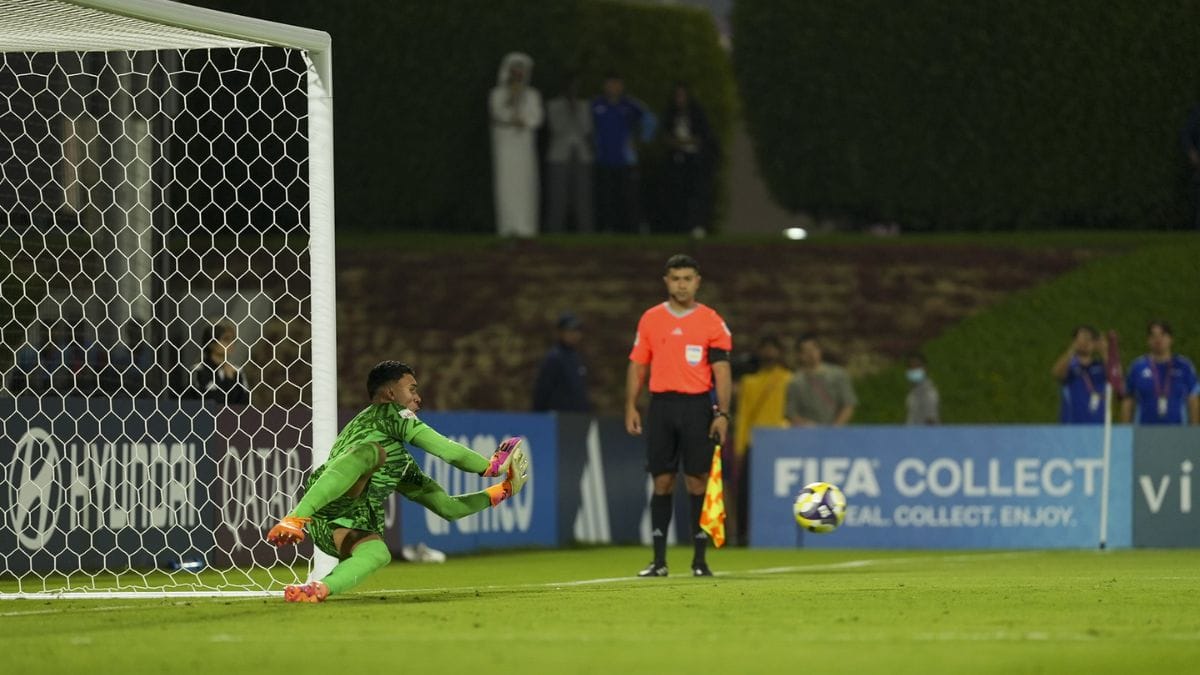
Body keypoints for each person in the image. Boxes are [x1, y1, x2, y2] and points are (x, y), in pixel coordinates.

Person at [267, 360, 530, 602]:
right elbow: (447, 450)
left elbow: (449, 508)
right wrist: (491, 466)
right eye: (412, 389)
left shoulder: (402, 466)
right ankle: (294, 518)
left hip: (340, 526)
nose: (418, 398)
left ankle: (318, 589)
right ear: (391, 394)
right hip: (327, 500)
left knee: (379, 553)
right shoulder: (388, 413)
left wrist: (504, 490)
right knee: (372, 453)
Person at [625, 254, 732, 577]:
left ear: (697, 282)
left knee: (697, 480)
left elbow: (722, 370)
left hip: (697, 406)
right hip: (662, 406)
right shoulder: (651, 319)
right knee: (662, 480)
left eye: (687, 278)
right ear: (666, 281)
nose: (681, 284)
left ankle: (700, 561)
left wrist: (723, 413)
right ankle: (659, 561)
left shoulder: (712, 321)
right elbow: (638, 364)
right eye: (675, 278)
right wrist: (631, 404)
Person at [731, 334, 790, 545]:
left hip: (781, 442)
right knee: (745, 491)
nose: (769, 353)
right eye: (765, 349)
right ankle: (743, 534)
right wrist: (740, 445)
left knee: (779, 490)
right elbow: (743, 416)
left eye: (772, 349)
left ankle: (780, 532)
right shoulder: (749, 382)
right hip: (754, 442)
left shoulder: (788, 378)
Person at [489, 52, 543, 238]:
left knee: (525, 184)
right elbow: (499, 113)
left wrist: (524, 121)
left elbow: (537, 118)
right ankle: (507, 226)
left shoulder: (533, 94)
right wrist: (512, 100)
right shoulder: (497, 94)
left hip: (524, 147)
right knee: (506, 184)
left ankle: (526, 227)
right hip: (505, 146)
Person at [592, 72, 653, 233]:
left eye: (616, 84)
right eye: (610, 84)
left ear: (621, 86)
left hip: (626, 160)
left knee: (629, 197)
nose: (613, 87)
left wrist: (641, 141)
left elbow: (650, 120)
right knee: (606, 198)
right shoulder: (597, 104)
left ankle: (633, 229)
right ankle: (607, 229)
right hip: (604, 159)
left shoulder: (631, 105)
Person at [657, 83, 718, 235]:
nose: (680, 99)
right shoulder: (670, 115)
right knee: (677, 194)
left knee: (696, 193)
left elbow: (702, 137)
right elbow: (665, 137)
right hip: (676, 161)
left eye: (683, 95)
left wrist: (684, 142)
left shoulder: (697, 114)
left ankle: (697, 225)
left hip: (694, 160)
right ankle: (678, 227)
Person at [1121, 320, 1200, 425]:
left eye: (1163, 335)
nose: (1158, 339)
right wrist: (1124, 432)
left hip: (1178, 433)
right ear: (1148, 340)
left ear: (1171, 339)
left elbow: (1193, 400)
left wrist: (1194, 433)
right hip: (1143, 434)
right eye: (1154, 335)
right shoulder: (1137, 367)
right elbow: (1128, 401)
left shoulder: (1185, 366)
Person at [544, 75, 594, 234]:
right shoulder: (553, 105)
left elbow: (586, 129)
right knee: (558, 196)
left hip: (581, 156)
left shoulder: (585, 105)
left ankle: (586, 232)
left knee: (583, 197)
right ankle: (555, 231)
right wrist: (568, 110)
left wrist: (576, 109)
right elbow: (557, 128)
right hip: (559, 156)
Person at [785, 333, 857, 426]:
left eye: (814, 349)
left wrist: (836, 427)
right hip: (808, 434)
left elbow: (848, 404)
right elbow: (791, 413)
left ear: (820, 350)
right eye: (806, 351)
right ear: (800, 355)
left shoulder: (838, 375)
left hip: (836, 432)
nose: (811, 354)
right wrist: (807, 425)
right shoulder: (795, 381)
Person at [532, 311, 591, 412]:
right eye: (570, 331)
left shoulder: (576, 357)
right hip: (558, 420)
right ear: (560, 332)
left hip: (577, 419)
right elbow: (542, 391)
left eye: (577, 331)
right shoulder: (554, 358)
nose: (574, 335)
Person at [1050, 325, 1107, 424]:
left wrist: (1104, 351)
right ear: (1074, 341)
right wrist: (1072, 350)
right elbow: (1056, 373)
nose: (1086, 342)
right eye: (1082, 338)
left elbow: (1117, 378)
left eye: (1090, 339)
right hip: (1071, 427)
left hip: (1098, 428)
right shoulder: (1069, 366)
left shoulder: (1101, 367)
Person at [189, 322, 249, 406]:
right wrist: (228, 380)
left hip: (234, 418)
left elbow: (244, 402)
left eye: (233, 339)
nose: (231, 343)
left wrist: (230, 378)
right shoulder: (198, 370)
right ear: (211, 343)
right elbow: (204, 401)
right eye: (226, 339)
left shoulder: (237, 371)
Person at [904, 353, 940, 425]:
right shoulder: (913, 393)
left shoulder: (929, 394)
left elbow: (931, 422)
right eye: (911, 367)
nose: (914, 370)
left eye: (917, 367)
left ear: (925, 369)